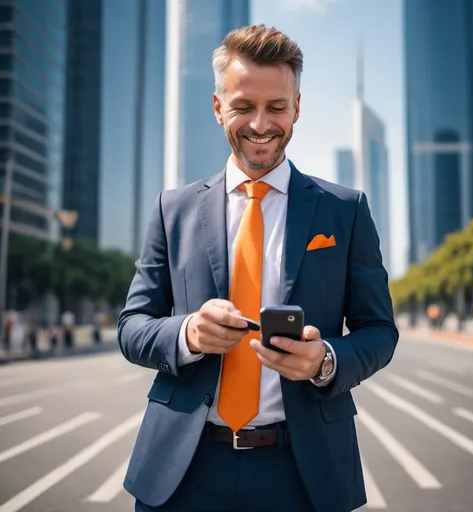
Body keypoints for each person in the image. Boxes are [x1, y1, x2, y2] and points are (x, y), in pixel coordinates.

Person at [118, 24, 398, 512]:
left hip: (303, 472)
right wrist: (187, 335)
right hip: (183, 470)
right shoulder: (173, 209)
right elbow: (132, 327)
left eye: (277, 107)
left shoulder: (345, 210)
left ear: (297, 108)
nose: (260, 124)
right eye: (243, 106)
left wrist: (326, 360)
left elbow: (380, 331)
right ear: (217, 107)